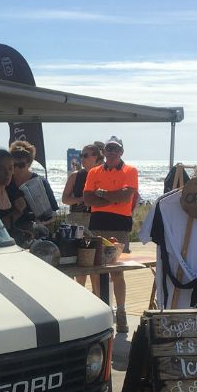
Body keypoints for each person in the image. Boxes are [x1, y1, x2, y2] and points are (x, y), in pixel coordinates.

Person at [83, 136, 139, 333]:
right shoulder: (94, 172)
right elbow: (88, 199)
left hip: (119, 226)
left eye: (116, 149)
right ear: (104, 152)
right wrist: (113, 197)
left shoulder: (130, 170)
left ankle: (121, 311)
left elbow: (126, 196)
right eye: (109, 148)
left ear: (121, 152)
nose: (112, 152)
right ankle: (103, 310)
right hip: (98, 223)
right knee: (97, 270)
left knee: (117, 271)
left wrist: (101, 193)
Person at [61, 142, 104, 292]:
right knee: (78, 260)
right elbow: (65, 199)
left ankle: (98, 297)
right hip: (77, 219)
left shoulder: (102, 174)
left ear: (96, 157)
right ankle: (79, 295)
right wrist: (81, 199)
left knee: (95, 262)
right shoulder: (76, 176)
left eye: (85, 155)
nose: (82, 158)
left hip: (96, 219)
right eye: (81, 155)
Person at [7, 140, 57, 241]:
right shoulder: (6, 181)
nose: (16, 169)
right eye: (13, 165)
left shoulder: (41, 183)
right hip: (9, 231)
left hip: (33, 232)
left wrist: (40, 224)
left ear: (29, 163)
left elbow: (53, 214)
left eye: (21, 165)